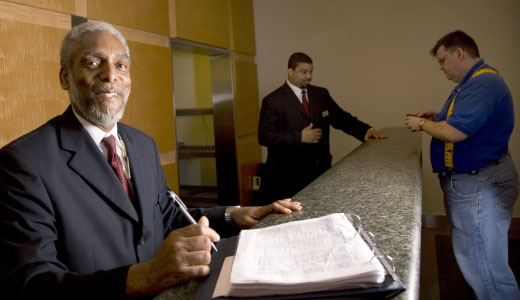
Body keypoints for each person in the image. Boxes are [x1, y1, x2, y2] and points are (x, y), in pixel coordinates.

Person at [0, 21, 302, 299]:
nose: (111, 75)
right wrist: (146, 276)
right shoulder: (24, 163)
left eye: (121, 65)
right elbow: (31, 283)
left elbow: (166, 218)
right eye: (93, 63)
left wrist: (234, 215)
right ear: (65, 77)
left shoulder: (142, 144)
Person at [405, 30, 519, 299]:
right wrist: (436, 116)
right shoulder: (475, 82)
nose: (441, 68)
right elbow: (469, 119)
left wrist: (421, 124)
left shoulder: (483, 84)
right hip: (479, 180)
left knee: (484, 264)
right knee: (481, 256)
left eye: (443, 60)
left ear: (459, 53)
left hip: (479, 184)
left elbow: (456, 133)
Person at [257, 52, 387, 205]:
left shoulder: (321, 94)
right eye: (303, 72)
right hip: (288, 178)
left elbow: (341, 118)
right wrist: (299, 137)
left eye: (311, 71)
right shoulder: (273, 101)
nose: (309, 76)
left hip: (319, 171)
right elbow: (265, 136)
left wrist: (365, 130)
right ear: (290, 71)